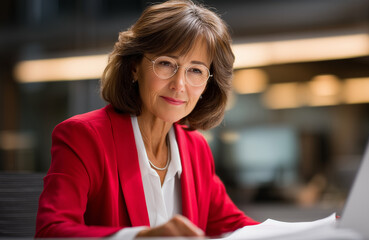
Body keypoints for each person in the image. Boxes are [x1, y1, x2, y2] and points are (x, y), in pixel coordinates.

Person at [35, 0, 259, 238]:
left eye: (195, 70)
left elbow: (237, 227)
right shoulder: (84, 137)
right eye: (166, 63)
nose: (179, 85)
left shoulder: (196, 149)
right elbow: (51, 232)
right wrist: (141, 237)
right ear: (134, 67)